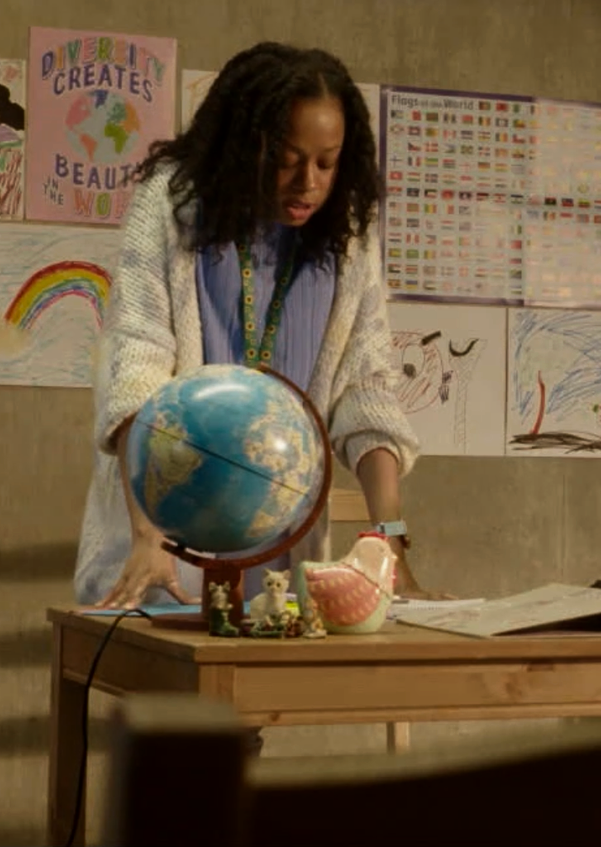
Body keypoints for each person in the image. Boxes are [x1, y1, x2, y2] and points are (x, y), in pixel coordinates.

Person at [74, 42, 437, 609]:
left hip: (280, 554)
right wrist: (148, 537)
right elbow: (135, 377)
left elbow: (367, 393)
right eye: (287, 160)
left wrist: (392, 551)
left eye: (326, 162)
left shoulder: (346, 235)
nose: (308, 183)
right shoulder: (172, 206)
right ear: (245, 148)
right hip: (164, 543)